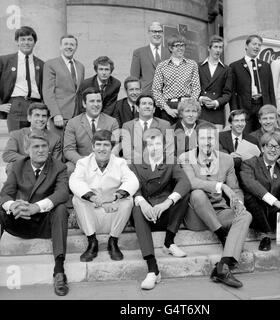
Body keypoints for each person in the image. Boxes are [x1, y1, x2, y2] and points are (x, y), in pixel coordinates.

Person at [178, 121, 252, 288]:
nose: (207, 142)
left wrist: (238, 202)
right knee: (197, 193)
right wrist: (221, 186)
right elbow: (192, 183)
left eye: (211, 137)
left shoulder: (226, 160)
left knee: (245, 215)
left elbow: (235, 189)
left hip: (219, 211)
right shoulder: (186, 157)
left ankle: (223, 266)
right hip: (196, 215)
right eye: (203, 138)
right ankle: (221, 235)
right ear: (197, 140)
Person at [0, 132, 69, 296]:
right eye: (36, 147)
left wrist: (36, 207)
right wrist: (14, 205)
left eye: (44, 146)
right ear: (26, 149)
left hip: (45, 224)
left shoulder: (59, 167)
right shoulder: (18, 166)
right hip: (20, 220)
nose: (41, 150)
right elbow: (5, 194)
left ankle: (59, 271)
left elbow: (62, 193)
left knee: (60, 209)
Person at [130, 128, 190, 290]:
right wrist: (142, 202)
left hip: (164, 213)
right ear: (145, 147)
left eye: (157, 143)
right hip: (145, 214)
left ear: (163, 146)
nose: (154, 147)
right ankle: (152, 268)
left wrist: (167, 203)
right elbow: (131, 185)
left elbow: (185, 182)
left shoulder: (171, 160)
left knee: (183, 193)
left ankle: (169, 241)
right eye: (150, 144)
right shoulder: (135, 163)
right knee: (136, 207)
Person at [69, 130, 139, 262]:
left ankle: (113, 241)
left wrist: (114, 197)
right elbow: (75, 182)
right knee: (77, 199)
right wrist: (93, 198)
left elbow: (132, 181)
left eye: (106, 145)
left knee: (128, 200)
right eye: (98, 144)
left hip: (112, 216)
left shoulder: (120, 163)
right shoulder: (83, 163)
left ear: (111, 148)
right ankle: (92, 242)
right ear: (93, 147)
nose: (102, 149)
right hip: (91, 217)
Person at [240, 132, 280, 254]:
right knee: (250, 196)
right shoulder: (249, 163)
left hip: (273, 213)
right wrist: (278, 203)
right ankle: (266, 234)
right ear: (263, 148)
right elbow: (251, 184)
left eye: (277, 147)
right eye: (270, 146)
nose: (273, 150)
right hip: (256, 213)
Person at [63, 87, 119, 175]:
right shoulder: (73, 123)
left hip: (106, 162)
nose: (96, 104)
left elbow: (116, 147)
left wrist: (103, 161)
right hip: (82, 161)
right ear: (84, 104)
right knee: (68, 168)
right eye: (92, 101)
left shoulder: (112, 122)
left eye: (98, 101)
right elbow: (68, 150)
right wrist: (85, 162)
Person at [0, 26, 43, 132]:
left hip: (36, 106)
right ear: (17, 42)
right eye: (22, 39)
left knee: (37, 141)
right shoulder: (5, 61)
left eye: (29, 39)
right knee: (17, 142)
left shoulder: (41, 64)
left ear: (34, 42)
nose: (26, 43)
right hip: (15, 106)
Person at [229, 35, 276, 133]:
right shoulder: (235, 66)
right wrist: (234, 111)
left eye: (259, 45)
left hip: (263, 107)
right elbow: (232, 92)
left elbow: (270, 90)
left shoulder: (266, 66)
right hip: (244, 108)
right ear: (246, 46)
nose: (257, 47)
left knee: (265, 137)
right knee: (246, 138)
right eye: (254, 44)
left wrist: (273, 110)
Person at [152, 34, 201, 124]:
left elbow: (196, 88)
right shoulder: (162, 66)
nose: (180, 48)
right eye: (177, 45)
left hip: (186, 104)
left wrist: (190, 106)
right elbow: (156, 90)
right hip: (168, 106)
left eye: (182, 45)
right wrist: (167, 109)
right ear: (171, 48)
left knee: (186, 134)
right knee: (169, 135)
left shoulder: (192, 64)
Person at [43, 34, 85, 137]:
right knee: (57, 148)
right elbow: (48, 92)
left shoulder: (80, 66)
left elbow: (79, 91)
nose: (69, 47)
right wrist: (56, 114)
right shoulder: (51, 64)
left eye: (72, 44)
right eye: (66, 44)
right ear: (60, 46)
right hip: (60, 115)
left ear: (76, 47)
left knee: (72, 147)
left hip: (77, 115)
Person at [2, 103, 62, 173]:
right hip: (23, 171)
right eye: (37, 115)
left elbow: (56, 162)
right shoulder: (16, 134)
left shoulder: (55, 138)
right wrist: (30, 160)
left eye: (44, 116)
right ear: (29, 118)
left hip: (45, 173)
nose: (41, 119)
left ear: (48, 119)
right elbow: (7, 154)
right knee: (11, 166)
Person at [122, 94, 171, 164]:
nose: (147, 106)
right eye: (144, 104)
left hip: (158, 163)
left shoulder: (165, 125)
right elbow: (127, 151)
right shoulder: (127, 126)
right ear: (137, 108)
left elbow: (169, 149)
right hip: (135, 164)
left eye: (150, 104)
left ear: (154, 109)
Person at [198, 35, 232, 130]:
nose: (218, 50)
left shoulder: (227, 69)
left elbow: (228, 93)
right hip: (201, 111)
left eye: (220, 47)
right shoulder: (198, 66)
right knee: (201, 141)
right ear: (209, 48)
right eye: (215, 47)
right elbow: (193, 88)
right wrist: (200, 98)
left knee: (216, 142)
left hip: (217, 112)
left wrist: (216, 102)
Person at [130, 21, 170, 94]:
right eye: (154, 31)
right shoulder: (138, 52)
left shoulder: (170, 53)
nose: (157, 34)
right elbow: (134, 78)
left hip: (165, 96)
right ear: (149, 33)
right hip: (145, 96)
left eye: (159, 32)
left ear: (162, 33)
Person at [218, 110, 259, 176]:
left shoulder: (252, 140)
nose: (240, 124)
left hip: (246, 174)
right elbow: (216, 154)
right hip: (225, 174)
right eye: (236, 121)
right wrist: (229, 156)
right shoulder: (220, 137)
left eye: (242, 120)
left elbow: (258, 161)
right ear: (230, 123)